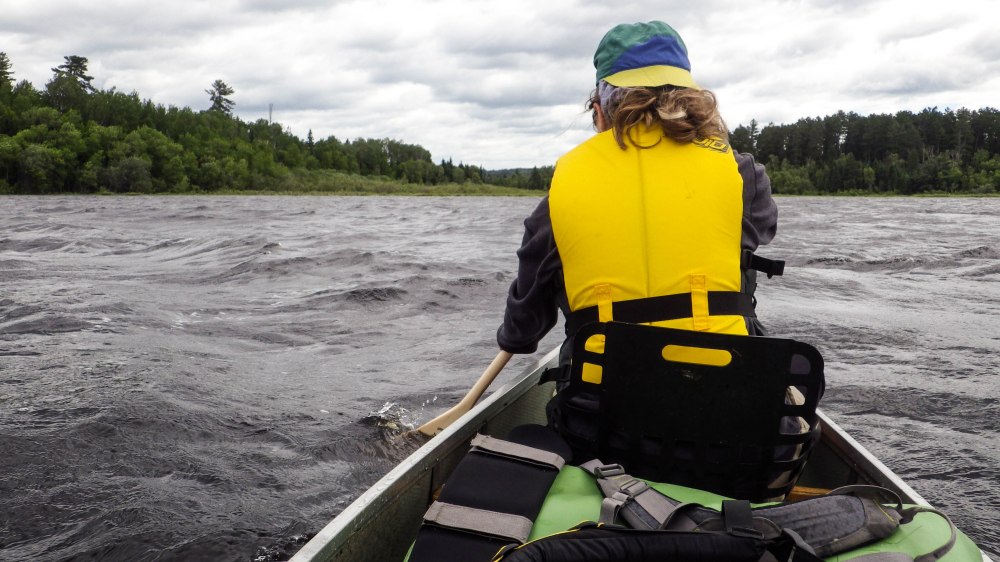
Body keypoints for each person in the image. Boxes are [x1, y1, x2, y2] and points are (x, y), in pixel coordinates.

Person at [497, 20, 778, 368]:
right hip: (723, 391)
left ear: (599, 111)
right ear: (691, 100)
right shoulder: (742, 174)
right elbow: (758, 229)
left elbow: (522, 332)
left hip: (597, 409)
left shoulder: (561, 193)